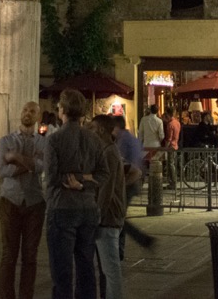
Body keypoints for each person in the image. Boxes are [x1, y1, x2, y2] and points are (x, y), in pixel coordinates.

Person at [42, 89, 107, 299]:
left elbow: (51, 177)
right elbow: (104, 174)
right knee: (86, 267)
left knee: (62, 272)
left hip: (62, 207)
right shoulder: (94, 139)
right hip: (88, 208)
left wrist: (72, 180)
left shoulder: (54, 140)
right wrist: (84, 182)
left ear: (62, 110)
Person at [0, 101, 46, 299]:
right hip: (11, 199)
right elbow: (2, 171)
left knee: (30, 256)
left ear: (38, 117)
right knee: (9, 254)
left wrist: (16, 157)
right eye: (25, 110)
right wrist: (31, 164)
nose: (27, 113)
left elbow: (45, 166)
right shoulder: (5, 140)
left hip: (34, 201)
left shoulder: (43, 142)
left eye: (32, 111)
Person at [90, 115, 128, 299]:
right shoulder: (108, 151)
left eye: (93, 128)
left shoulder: (108, 153)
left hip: (108, 219)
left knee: (111, 270)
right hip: (110, 217)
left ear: (101, 130)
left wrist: (97, 216)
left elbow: (106, 189)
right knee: (108, 269)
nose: (90, 132)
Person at [112, 115, 155, 258]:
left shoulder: (122, 140)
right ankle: (121, 250)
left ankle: (140, 241)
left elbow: (120, 161)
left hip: (128, 182)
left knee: (119, 216)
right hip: (134, 181)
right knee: (120, 216)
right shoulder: (132, 138)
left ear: (116, 127)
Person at [161, 110, 181, 189]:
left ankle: (172, 183)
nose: (164, 121)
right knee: (173, 164)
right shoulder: (177, 122)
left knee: (170, 164)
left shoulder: (170, 124)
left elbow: (169, 138)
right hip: (175, 145)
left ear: (168, 116)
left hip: (171, 146)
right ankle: (174, 181)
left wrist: (165, 147)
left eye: (165, 118)